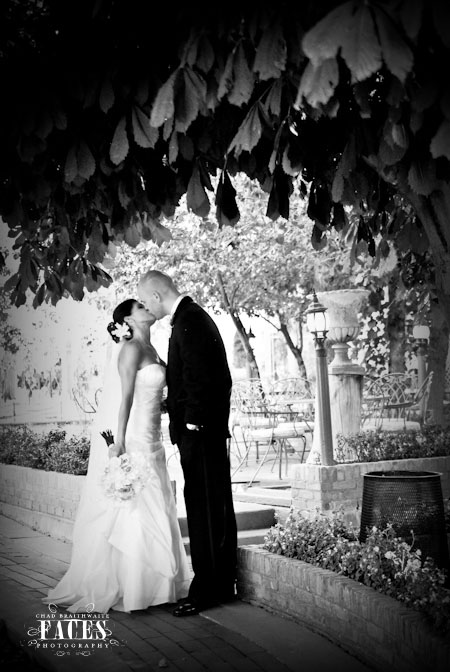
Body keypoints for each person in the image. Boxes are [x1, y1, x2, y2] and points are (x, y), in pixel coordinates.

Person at [43, 299, 190, 613]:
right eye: (140, 306)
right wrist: (119, 444)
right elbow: (124, 399)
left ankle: (158, 586)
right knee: (136, 507)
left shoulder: (152, 348)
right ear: (128, 319)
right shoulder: (131, 349)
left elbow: (150, 393)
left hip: (155, 437)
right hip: (136, 437)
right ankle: (134, 586)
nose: (147, 308)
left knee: (157, 501)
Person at [137, 270, 237, 617]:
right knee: (213, 507)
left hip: (201, 433)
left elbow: (206, 377)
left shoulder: (190, 320)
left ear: (156, 294)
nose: (147, 307)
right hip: (203, 432)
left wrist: (193, 420)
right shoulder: (188, 318)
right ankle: (221, 583)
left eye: (145, 299)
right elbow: (189, 377)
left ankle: (207, 590)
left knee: (203, 509)